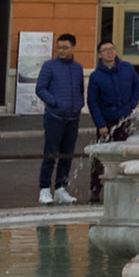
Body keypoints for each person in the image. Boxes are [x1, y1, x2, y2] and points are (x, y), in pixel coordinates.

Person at [87, 40, 139, 205]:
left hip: (124, 119)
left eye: (112, 48)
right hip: (106, 122)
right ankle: (95, 190)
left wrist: (131, 106)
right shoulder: (96, 76)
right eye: (105, 50)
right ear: (100, 55)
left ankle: (124, 188)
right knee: (100, 158)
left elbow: (137, 87)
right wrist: (100, 124)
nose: (110, 52)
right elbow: (93, 102)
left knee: (125, 154)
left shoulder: (127, 68)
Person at [35, 34, 85, 206]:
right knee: (51, 153)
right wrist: (54, 102)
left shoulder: (78, 68)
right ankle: (44, 188)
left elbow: (80, 89)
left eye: (65, 47)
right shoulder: (49, 66)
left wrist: (79, 104)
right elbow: (40, 88)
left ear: (73, 48)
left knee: (67, 154)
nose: (62, 51)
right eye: (59, 48)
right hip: (55, 116)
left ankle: (60, 188)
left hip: (73, 117)